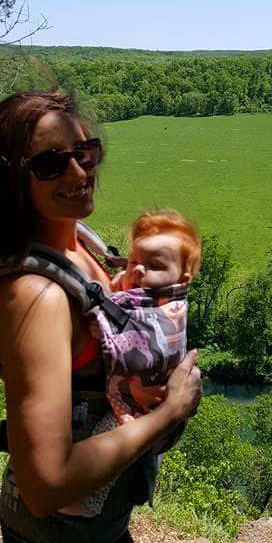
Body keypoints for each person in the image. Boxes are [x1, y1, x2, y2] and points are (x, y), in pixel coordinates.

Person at [0, 91, 201, 543]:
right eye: (49, 163)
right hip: (67, 541)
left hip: (89, 526)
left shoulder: (76, 243)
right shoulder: (34, 294)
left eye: (85, 152)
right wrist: (169, 412)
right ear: (10, 180)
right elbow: (46, 482)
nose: (78, 172)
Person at [74, 209, 201, 517]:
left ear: (183, 277)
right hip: (153, 397)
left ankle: (84, 502)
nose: (139, 272)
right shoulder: (150, 293)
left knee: (112, 437)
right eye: (134, 262)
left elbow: (142, 339)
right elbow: (128, 300)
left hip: (145, 400)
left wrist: (104, 324)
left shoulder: (166, 310)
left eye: (154, 266)